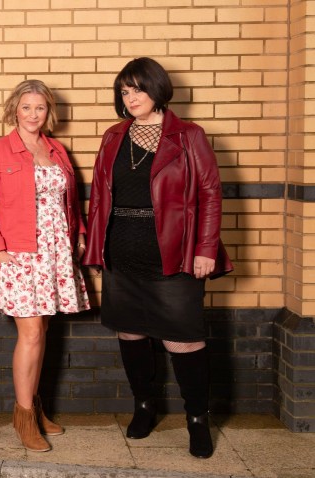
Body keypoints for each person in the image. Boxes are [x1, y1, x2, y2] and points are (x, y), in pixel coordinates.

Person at [84, 57, 233, 459]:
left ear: (157, 88)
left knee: (183, 341)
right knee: (130, 334)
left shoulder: (189, 136)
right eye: (125, 91)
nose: (131, 98)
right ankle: (144, 406)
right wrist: (96, 247)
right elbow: (99, 197)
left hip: (174, 255)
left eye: (138, 89)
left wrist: (205, 248)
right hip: (122, 253)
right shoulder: (115, 135)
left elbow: (209, 194)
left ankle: (197, 419)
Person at [0, 80, 90, 452]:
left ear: (48, 112)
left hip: (56, 250)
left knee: (42, 332)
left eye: (39, 108)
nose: (32, 114)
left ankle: (35, 407)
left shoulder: (56, 149)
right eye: (26, 107)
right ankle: (24, 416)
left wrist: (81, 235)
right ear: (14, 110)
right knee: (32, 335)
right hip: (20, 252)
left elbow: (71, 202)